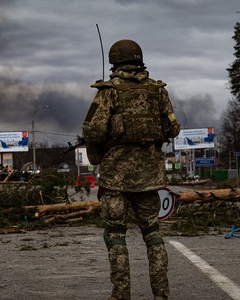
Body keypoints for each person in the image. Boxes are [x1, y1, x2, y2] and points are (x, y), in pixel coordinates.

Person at [82, 39, 180, 300]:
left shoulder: (109, 91)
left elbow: (92, 129)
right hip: (150, 177)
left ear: (114, 60)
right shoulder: (158, 91)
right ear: (139, 60)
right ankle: (161, 294)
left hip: (116, 178)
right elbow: (173, 128)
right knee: (153, 234)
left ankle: (121, 295)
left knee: (115, 235)